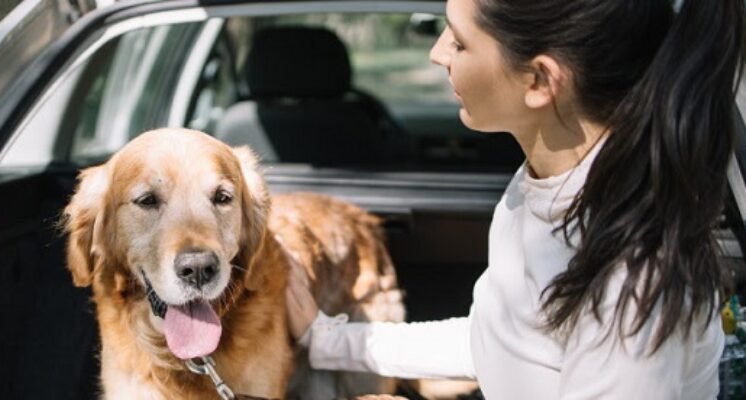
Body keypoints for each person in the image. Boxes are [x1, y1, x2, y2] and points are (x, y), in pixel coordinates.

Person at [286, 0, 746, 398]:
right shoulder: (541, 186)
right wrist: (326, 339)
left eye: (459, 42)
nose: (437, 51)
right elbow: (499, 341)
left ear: (540, 81)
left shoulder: (633, 284)